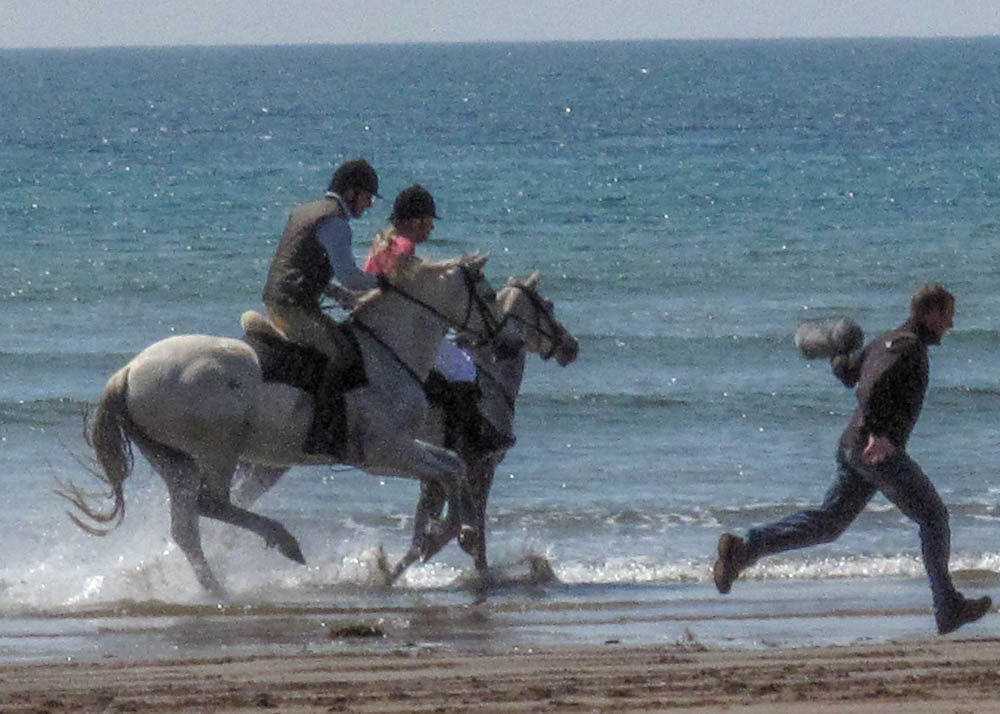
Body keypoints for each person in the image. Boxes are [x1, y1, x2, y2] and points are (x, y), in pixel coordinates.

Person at [712, 284, 992, 635]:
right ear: (928, 314)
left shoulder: (884, 342)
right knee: (933, 516)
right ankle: (947, 606)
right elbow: (872, 385)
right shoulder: (907, 348)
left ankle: (744, 550)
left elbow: (848, 372)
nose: (950, 325)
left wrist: (834, 349)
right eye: (947, 315)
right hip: (873, 449)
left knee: (828, 524)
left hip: (853, 447)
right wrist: (878, 431)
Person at [364, 184, 514, 455]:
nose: (431, 229)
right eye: (429, 222)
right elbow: (415, 297)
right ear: (415, 221)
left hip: (376, 326)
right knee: (463, 367)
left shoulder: (382, 242)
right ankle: (469, 439)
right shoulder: (405, 247)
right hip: (398, 333)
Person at [262, 158, 380, 359]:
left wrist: (338, 294)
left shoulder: (304, 212)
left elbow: (301, 267)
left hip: (277, 299)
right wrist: (384, 282)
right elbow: (349, 277)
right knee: (343, 354)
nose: (369, 204)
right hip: (293, 307)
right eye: (368, 196)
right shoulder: (336, 222)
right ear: (352, 193)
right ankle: (325, 393)